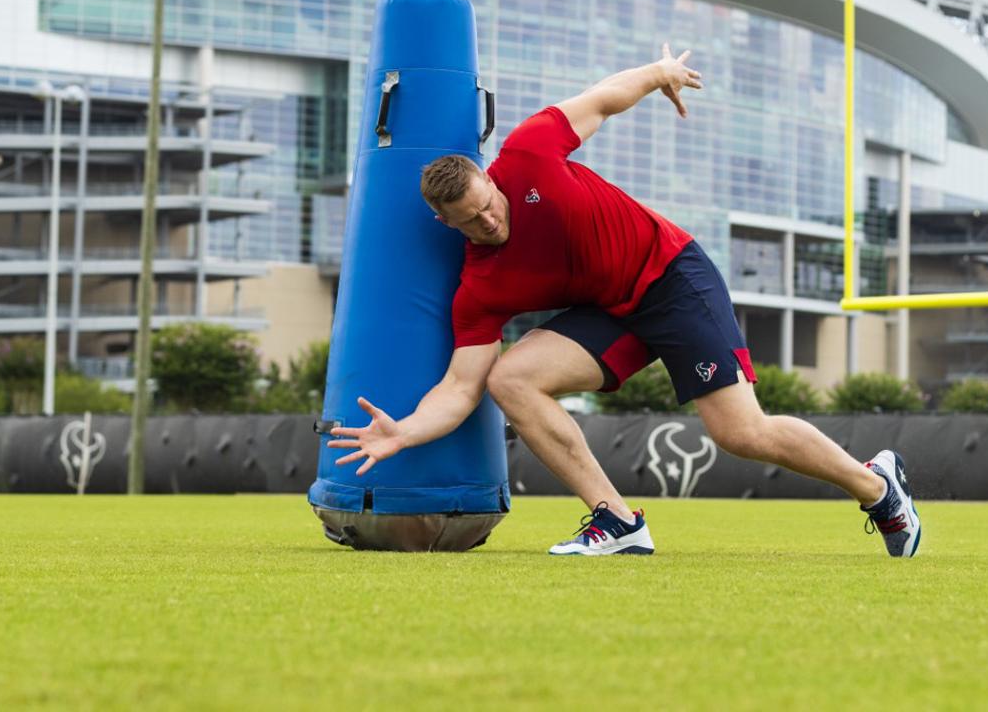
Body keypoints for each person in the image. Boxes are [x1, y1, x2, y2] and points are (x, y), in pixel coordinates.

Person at [329, 45, 921, 558]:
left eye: (489, 203)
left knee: (741, 433)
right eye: (471, 221)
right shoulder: (481, 287)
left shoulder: (530, 152)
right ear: (445, 221)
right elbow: (460, 389)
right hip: (612, 311)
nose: (489, 220)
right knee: (509, 380)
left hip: (670, 277)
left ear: (489, 178)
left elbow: (603, 99)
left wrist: (659, 70)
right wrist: (403, 432)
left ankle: (876, 487)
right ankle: (617, 522)